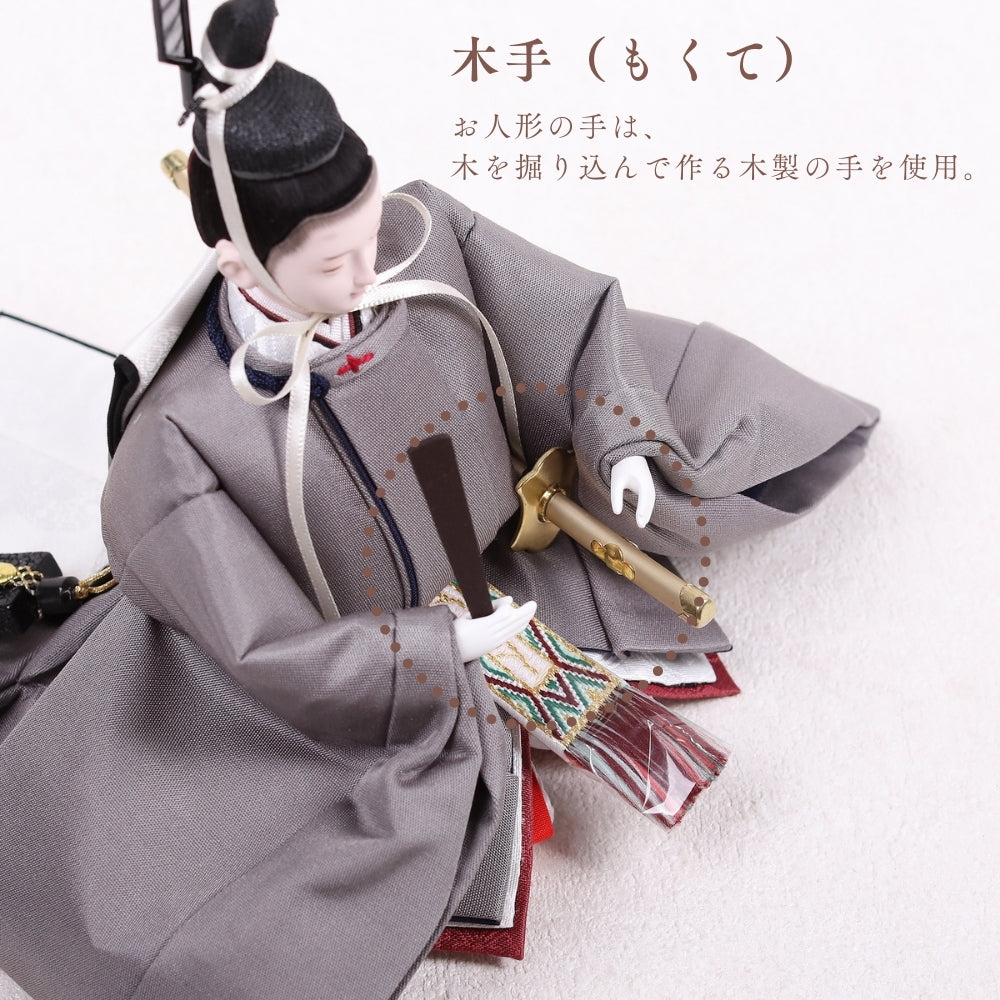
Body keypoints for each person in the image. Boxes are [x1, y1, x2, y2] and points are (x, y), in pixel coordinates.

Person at [0, 2, 878, 998]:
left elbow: (569, 315)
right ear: (239, 265)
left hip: (495, 536)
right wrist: (429, 649)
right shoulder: (180, 437)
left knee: (712, 425)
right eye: (332, 263)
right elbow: (257, 640)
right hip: (359, 639)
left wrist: (623, 436)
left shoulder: (425, 237)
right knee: (199, 880)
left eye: (369, 236)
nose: (367, 273)